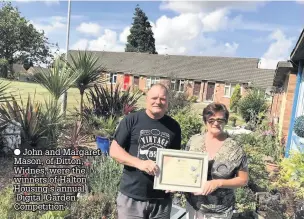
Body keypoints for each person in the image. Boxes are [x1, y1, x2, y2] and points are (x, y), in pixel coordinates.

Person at [109, 83, 182, 219]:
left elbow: (174, 159)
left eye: (162, 99)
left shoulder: (174, 127)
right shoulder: (132, 120)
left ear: (167, 102)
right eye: (154, 98)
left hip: (161, 200)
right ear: (147, 99)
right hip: (132, 197)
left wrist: (174, 181)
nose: (158, 102)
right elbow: (114, 150)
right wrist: (139, 163)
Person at [185, 102, 248, 219]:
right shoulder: (194, 141)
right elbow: (184, 168)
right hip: (193, 207)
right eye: (211, 119)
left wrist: (218, 183)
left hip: (220, 212)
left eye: (220, 120)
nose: (216, 123)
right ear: (205, 121)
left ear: (226, 121)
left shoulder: (235, 148)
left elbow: (243, 180)